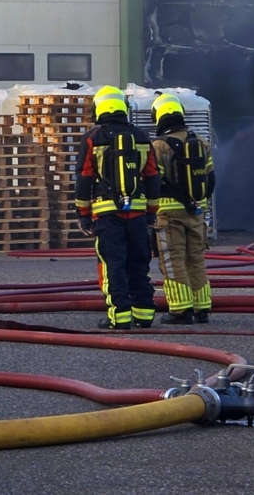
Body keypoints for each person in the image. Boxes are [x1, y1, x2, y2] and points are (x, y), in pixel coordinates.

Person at [76, 86, 161, 330]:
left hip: (106, 214)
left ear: (99, 108)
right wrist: (151, 212)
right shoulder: (142, 136)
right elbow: (153, 176)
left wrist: (83, 216)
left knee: (112, 264)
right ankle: (144, 314)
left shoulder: (94, 137)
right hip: (138, 214)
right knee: (138, 263)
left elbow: (84, 177)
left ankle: (119, 316)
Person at [149, 93, 216, 324]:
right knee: (195, 258)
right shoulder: (201, 142)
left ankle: (180, 310)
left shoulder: (158, 146)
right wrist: (197, 203)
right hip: (197, 212)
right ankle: (202, 308)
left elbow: (153, 182)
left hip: (168, 214)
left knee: (173, 258)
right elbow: (211, 180)